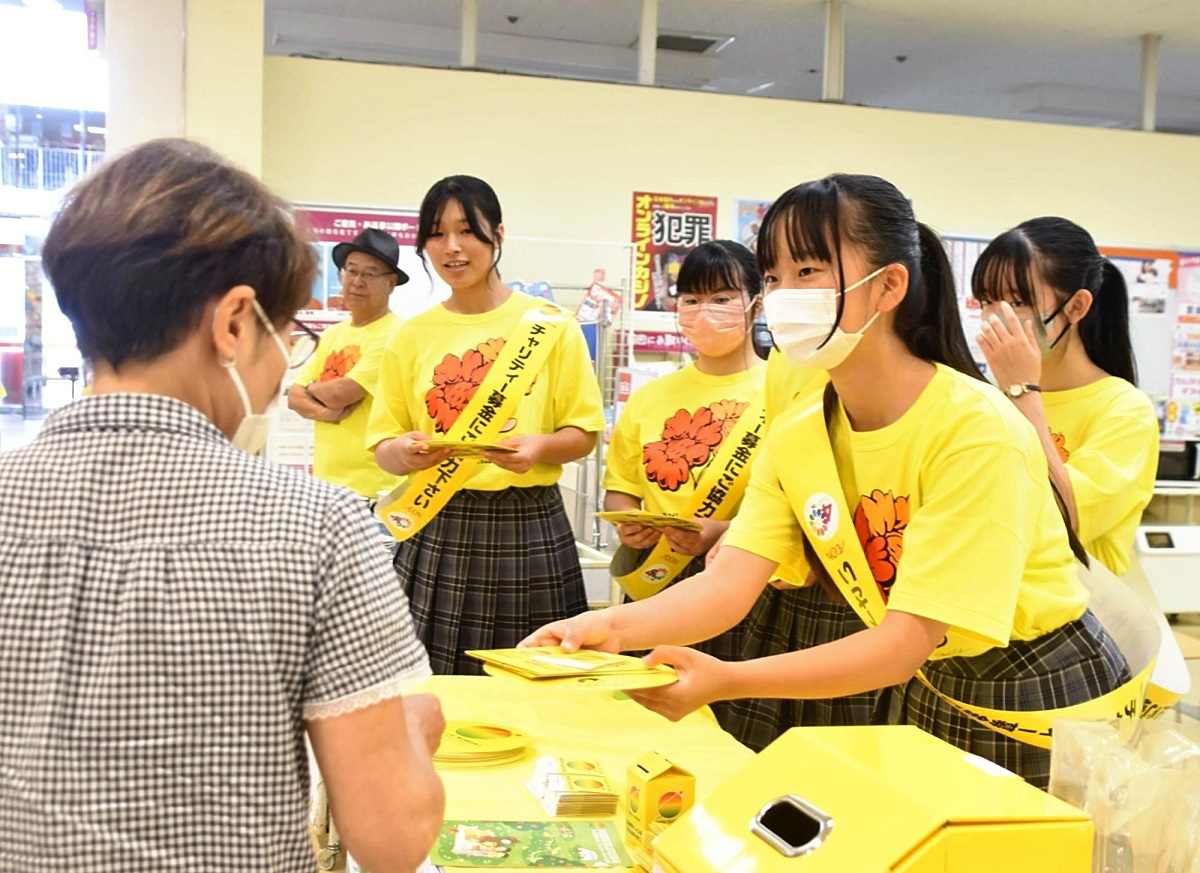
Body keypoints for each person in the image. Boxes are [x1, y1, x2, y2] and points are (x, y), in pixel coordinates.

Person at [526, 173, 1132, 788]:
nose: (784, 296)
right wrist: (603, 629)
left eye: (809, 270)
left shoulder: (974, 429)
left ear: (889, 285)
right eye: (772, 277)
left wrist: (729, 679)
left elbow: (903, 643)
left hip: (1036, 687)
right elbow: (729, 583)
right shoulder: (801, 430)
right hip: (935, 679)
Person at [0, 138, 444, 871]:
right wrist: (415, 731)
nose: (283, 367)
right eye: (287, 333)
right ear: (235, 322)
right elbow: (391, 839)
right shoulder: (321, 530)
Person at [367, 175, 605, 675]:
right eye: (437, 234)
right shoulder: (411, 336)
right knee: (431, 682)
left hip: (529, 522)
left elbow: (582, 434)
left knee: (538, 679)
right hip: (439, 520)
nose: (452, 247)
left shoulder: (551, 326)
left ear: (498, 234)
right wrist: (404, 451)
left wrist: (538, 448)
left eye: (466, 231)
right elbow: (384, 445)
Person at [971, 217, 1159, 576]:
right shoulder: (989, 399)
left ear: (1076, 307)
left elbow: (1063, 518)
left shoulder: (1125, 409)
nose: (997, 317)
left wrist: (1022, 390)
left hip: (1074, 603)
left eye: (1018, 301)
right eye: (987, 300)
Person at [287, 227, 406, 501]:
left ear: (391, 283)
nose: (357, 282)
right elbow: (294, 397)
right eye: (351, 271)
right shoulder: (332, 335)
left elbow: (342, 393)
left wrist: (312, 390)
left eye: (370, 274)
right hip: (325, 485)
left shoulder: (397, 334)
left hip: (374, 489)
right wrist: (329, 413)